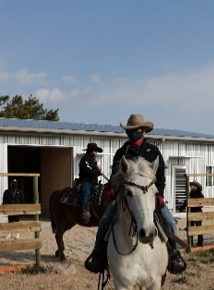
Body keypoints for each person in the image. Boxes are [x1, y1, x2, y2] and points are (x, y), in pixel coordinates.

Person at [83, 114, 186, 274]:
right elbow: (114, 175)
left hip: (150, 196)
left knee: (170, 222)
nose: (132, 133)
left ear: (143, 130)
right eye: (129, 130)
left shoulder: (153, 151)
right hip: (127, 198)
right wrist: (112, 188)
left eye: (135, 130)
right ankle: (98, 254)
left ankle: (175, 255)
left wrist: (160, 194)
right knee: (104, 220)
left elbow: (160, 176)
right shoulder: (122, 152)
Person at [78, 142, 104, 221]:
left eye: (96, 151)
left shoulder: (94, 160)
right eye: (95, 151)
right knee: (87, 194)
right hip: (86, 182)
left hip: (94, 182)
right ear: (91, 151)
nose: (96, 152)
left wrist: (98, 171)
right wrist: (98, 172)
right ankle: (83, 212)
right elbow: (87, 170)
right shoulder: (85, 159)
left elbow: (94, 170)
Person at [186, 181, 205, 247]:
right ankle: (190, 243)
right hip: (191, 212)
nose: (192, 187)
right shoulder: (190, 193)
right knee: (191, 228)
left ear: (197, 187)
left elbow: (202, 203)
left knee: (198, 228)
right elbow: (187, 201)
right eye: (192, 185)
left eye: (194, 185)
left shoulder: (199, 194)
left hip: (197, 212)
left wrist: (196, 203)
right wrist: (182, 207)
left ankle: (200, 242)